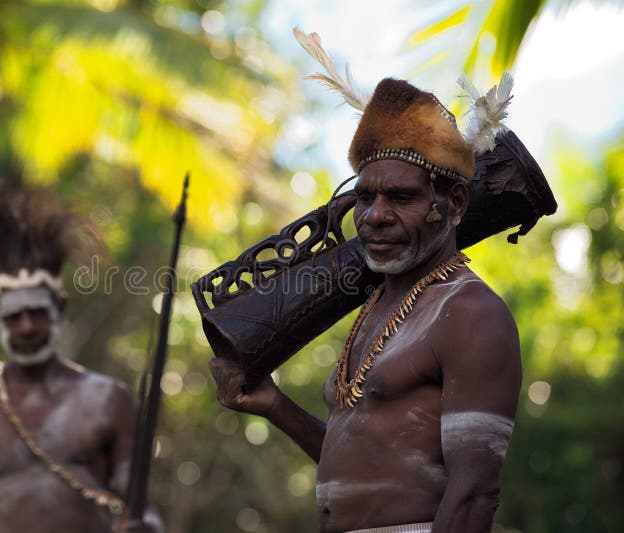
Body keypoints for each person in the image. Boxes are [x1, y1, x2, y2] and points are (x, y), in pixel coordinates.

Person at [210, 30, 522, 533]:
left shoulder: (470, 314)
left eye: (400, 198)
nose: (374, 216)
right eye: (364, 198)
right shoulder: (380, 303)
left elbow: (473, 495)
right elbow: (366, 470)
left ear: (455, 204)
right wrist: (274, 406)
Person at [0, 186, 162, 533]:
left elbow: (140, 505)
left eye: (37, 312)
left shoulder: (107, 400)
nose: (26, 328)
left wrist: (148, 527)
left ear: (60, 308)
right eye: (13, 317)